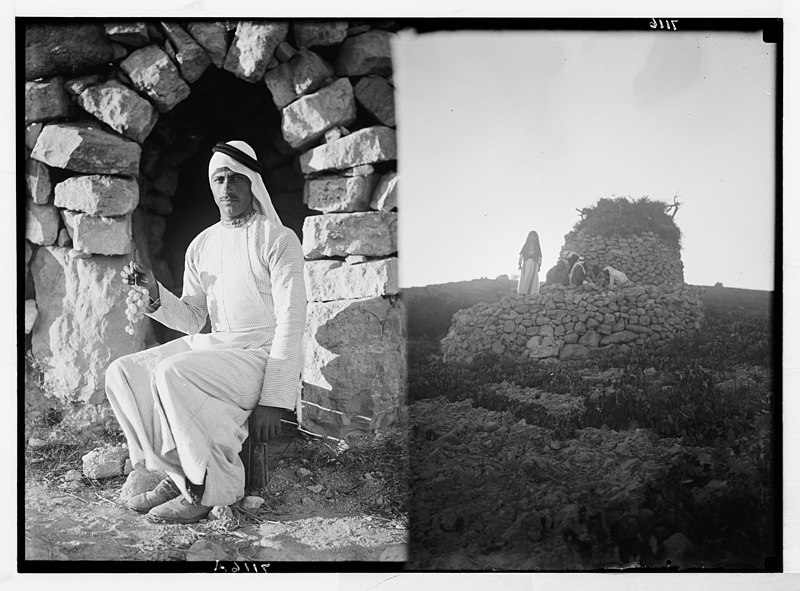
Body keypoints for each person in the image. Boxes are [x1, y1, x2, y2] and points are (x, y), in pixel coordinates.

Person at [105, 140, 307, 524]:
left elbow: (292, 321)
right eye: (219, 179)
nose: (227, 187)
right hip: (219, 348)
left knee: (172, 371)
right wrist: (153, 293)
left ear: (251, 183)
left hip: (260, 357)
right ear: (211, 186)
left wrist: (275, 399)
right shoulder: (201, 245)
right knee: (124, 372)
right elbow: (193, 318)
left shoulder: (279, 240)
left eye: (236, 178)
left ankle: (209, 489)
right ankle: (178, 472)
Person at [517, 230, 542, 295]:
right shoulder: (526, 245)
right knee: (526, 276)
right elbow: (521, 255)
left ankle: (532, 293)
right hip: (526, 262)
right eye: (531, 236)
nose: (532, 238)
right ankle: (524, 292)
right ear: (529, 237)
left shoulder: (537, 246)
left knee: (533, 277)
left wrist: (539, 265)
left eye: (534, 236)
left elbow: (539, 256)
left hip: (534, 263)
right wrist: (519, 263)